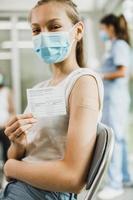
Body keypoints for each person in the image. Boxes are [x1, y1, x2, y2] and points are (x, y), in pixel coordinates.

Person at [0, 0, 103, 199]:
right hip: (20, 188)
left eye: (54, 27)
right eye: (36, 30)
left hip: (44, 193)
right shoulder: (41, 89)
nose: (44, 36)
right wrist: (19, 144)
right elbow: (21, 156)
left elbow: (72, 179)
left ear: (78, 31)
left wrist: (12, 167)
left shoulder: (83, 82)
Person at [98, 14, 132, 200]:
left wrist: (101, 75)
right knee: (121, 139)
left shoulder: (119, 45)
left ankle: (115, 184)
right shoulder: (116, 46)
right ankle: (126, 178)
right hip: (116, 98)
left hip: (116, 99)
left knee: (115, 139)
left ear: (110, 27)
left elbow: (122, 71)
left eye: (102, 28)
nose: (101, 32)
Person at [0, 73, 15, 163]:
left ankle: (7, 172)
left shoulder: (6, 91)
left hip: (5, 127)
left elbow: (12, 110)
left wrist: (8, 123)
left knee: (6, 150)